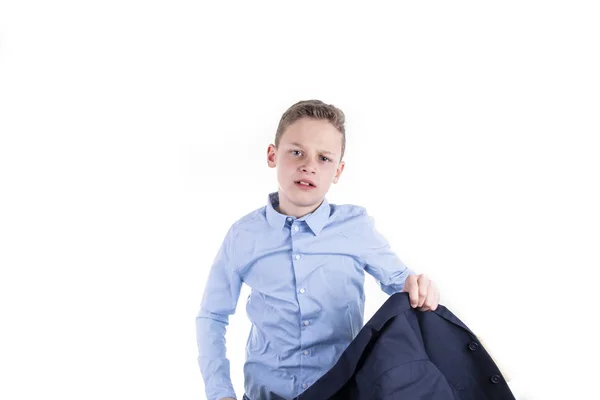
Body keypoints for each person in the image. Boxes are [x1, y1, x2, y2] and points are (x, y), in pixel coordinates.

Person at [195, 100, 440, 400]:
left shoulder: (356, 227)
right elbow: (212, 316)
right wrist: (220, 393)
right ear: (273, 155)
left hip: (341, 393)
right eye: (296, 152)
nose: (308, 165)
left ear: (338, 171)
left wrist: (419, 287)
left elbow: (401, 284)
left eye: (324, 158)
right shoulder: (243, 236)